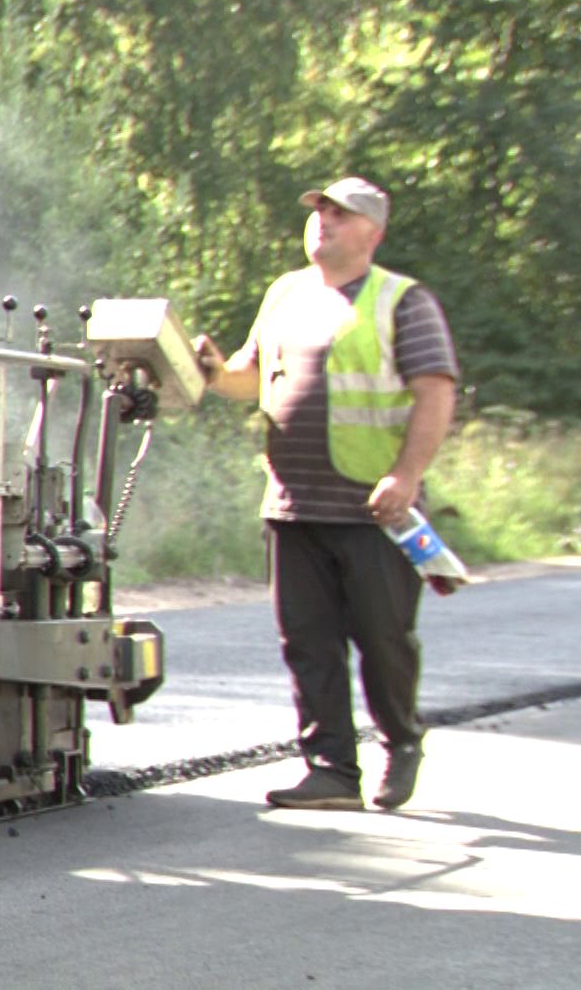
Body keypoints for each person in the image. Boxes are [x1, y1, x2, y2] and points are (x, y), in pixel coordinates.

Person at [195, 177, 458, 812]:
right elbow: (248, 377)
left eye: (341, 216)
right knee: (307, 643)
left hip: (373, 509)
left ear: (373, 233)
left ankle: (402, 740)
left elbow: (435, 391)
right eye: (319, 212)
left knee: (383, 640)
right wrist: (208, 370)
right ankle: (332, 771)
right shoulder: (285, 293)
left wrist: (406, 476)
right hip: (292, 503)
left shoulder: (403, 301)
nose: (324, 223)